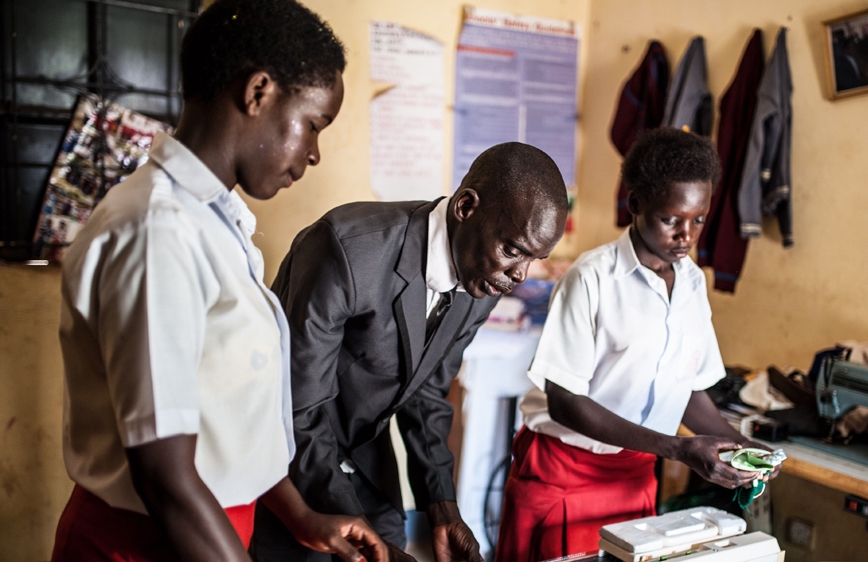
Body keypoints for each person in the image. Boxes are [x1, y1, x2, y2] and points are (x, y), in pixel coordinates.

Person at [51, 1, 388, 561]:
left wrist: (300, 515)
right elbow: (165, 477)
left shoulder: (213, 221)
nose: (313, 154)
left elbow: (222, 422)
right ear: (258, 92)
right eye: (312, 125)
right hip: (143, 542)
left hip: (204, 531)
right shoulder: (158, 232)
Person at [250, 142, 569, 562]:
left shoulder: (483, 278)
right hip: (290, 466)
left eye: (534, 259)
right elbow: (296, 406)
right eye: (513, 250)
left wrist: (442, 507)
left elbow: (427, 393)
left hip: (367, 464)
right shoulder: (348, 248)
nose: (519, 276)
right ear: (466, 207)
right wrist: (355, 526)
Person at [494, 128, 778, 561]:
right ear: (636, 205)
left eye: (698, 219)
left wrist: (735, 443)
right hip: (568, 472)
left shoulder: (692, 284)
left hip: (635, 476)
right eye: (671, 219)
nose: (686, 234)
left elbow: (687, 387)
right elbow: (564, 401)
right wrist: (679, 448)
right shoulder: (591, 279)